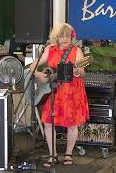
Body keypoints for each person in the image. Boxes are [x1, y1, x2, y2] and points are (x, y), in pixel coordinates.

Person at [29, 23, 89, 167]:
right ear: (56, 37)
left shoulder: (76, 51)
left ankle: (68, 154)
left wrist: (78, 71)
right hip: (54, 90)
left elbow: (82, 73)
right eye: (61, 36)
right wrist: (38, 75)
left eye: (67, 36)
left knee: (72, 124)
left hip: (72, 91)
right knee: (48, 122)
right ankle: (53, 154)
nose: (64, 39)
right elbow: (33, 65)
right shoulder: (49, 50)